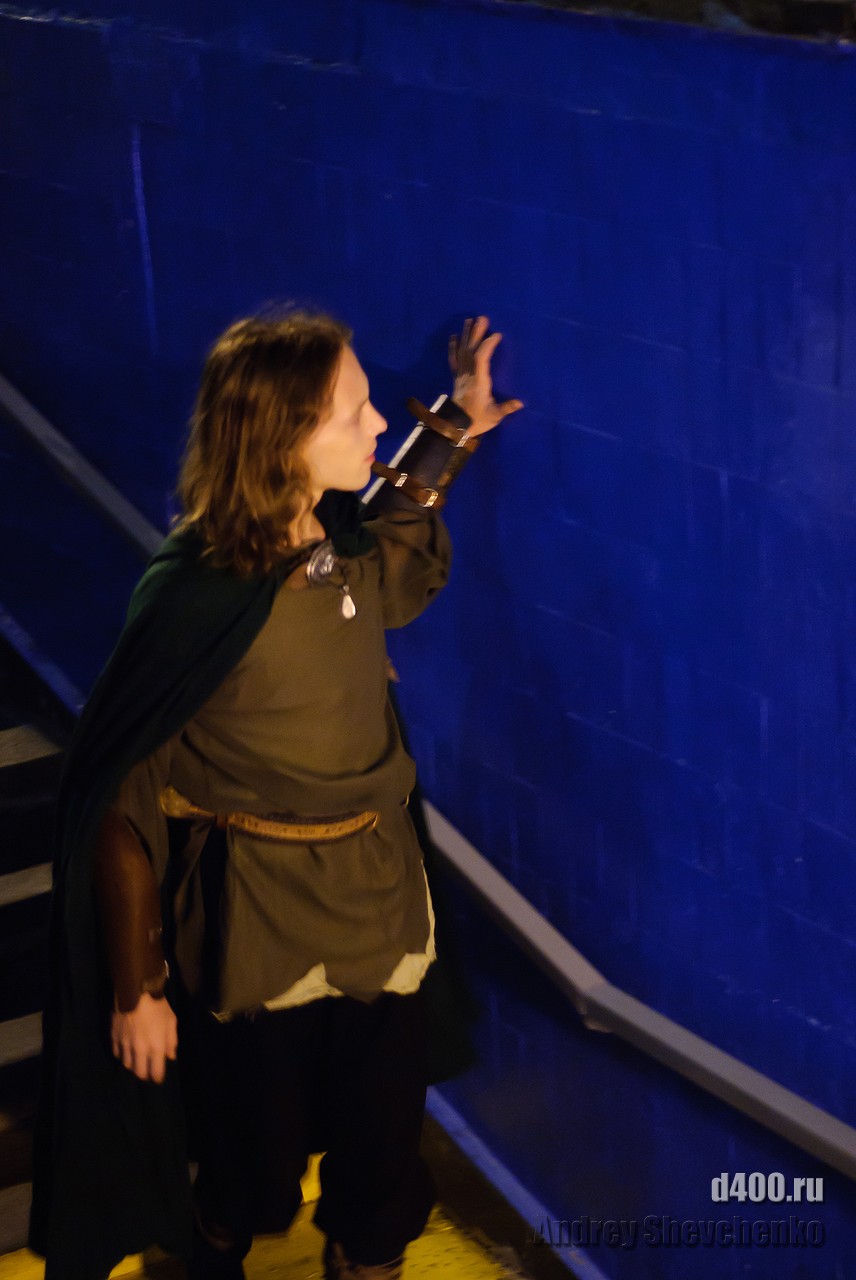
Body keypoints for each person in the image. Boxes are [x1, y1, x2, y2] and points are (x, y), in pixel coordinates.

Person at [29, 311, 522, 1280]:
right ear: (282, 438)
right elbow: (121, 797)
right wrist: (137, 987)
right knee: (249, 1165)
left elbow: (391, 550)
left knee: (383, 1157)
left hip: (379, 900)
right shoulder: (196, 594)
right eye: (352, 412)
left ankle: (365, 1257)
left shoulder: (336, 544)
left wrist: (454, 428)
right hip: (255, 921)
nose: (377, 423)